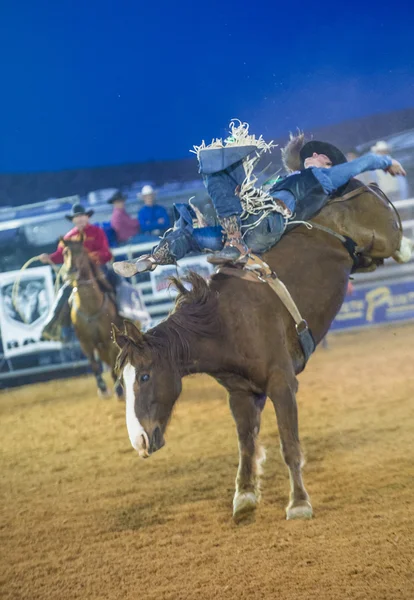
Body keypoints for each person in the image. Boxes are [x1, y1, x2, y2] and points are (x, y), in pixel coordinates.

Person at [113, 122, 406, 277]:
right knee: (191, 234)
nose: (319, 158)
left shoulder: (324, 178)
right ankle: (149, 260)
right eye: (319, 156)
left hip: (269, 224)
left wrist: (387, 161)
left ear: (324, 161)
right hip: (248, 223)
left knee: (215, 167)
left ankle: (234, 245)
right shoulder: (282, 180)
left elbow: (362, 163)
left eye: (324, 159)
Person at [38, 203, 117, 341]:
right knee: (63, 293)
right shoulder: (69, 237)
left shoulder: (97, 232)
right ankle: (54, 325)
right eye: (77, 217)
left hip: (98, 269)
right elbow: (59, 255)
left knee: (118, 282)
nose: (80, 219)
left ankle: (127, 314)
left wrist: (90, 258)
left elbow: (106, 253)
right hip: (77, 275)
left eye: (82, 216)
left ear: (87, 217)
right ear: (73, 220)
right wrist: (49, 257)